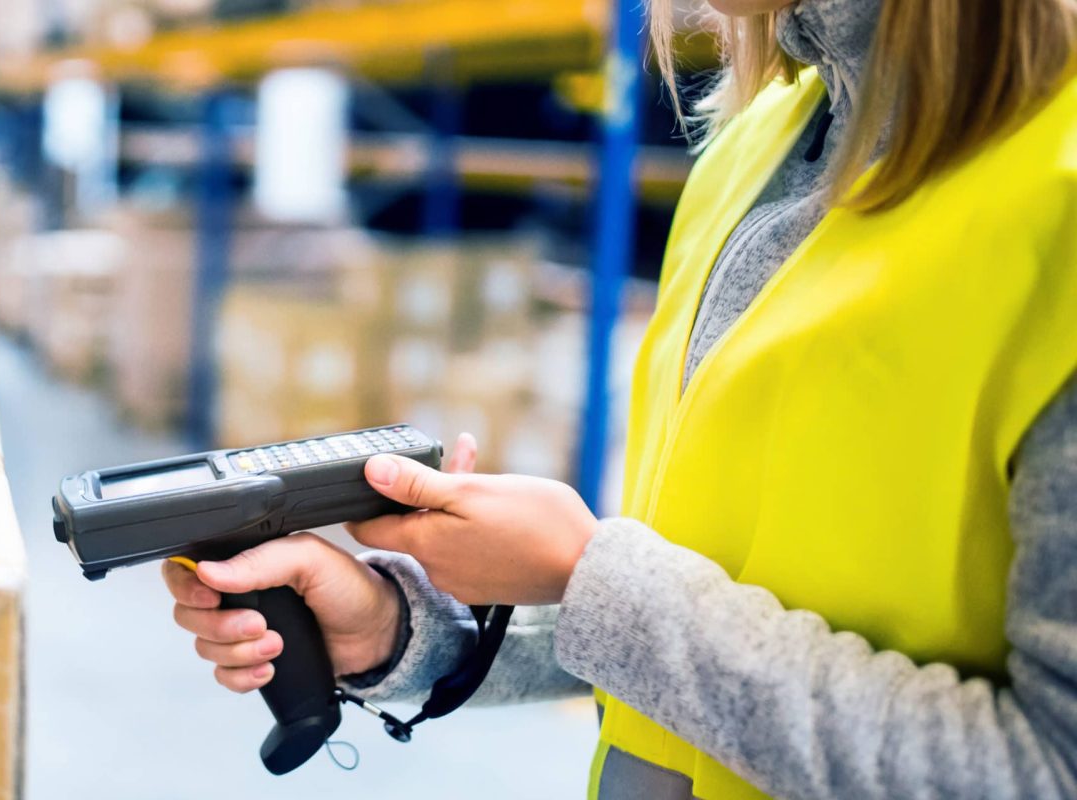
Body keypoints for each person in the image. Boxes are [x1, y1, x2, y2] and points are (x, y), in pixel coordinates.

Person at [162, 0, 1077, 795]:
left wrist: (590, 574)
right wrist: (399, 630)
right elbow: (712, 605)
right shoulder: (752, 152)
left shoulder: (1056, 205)